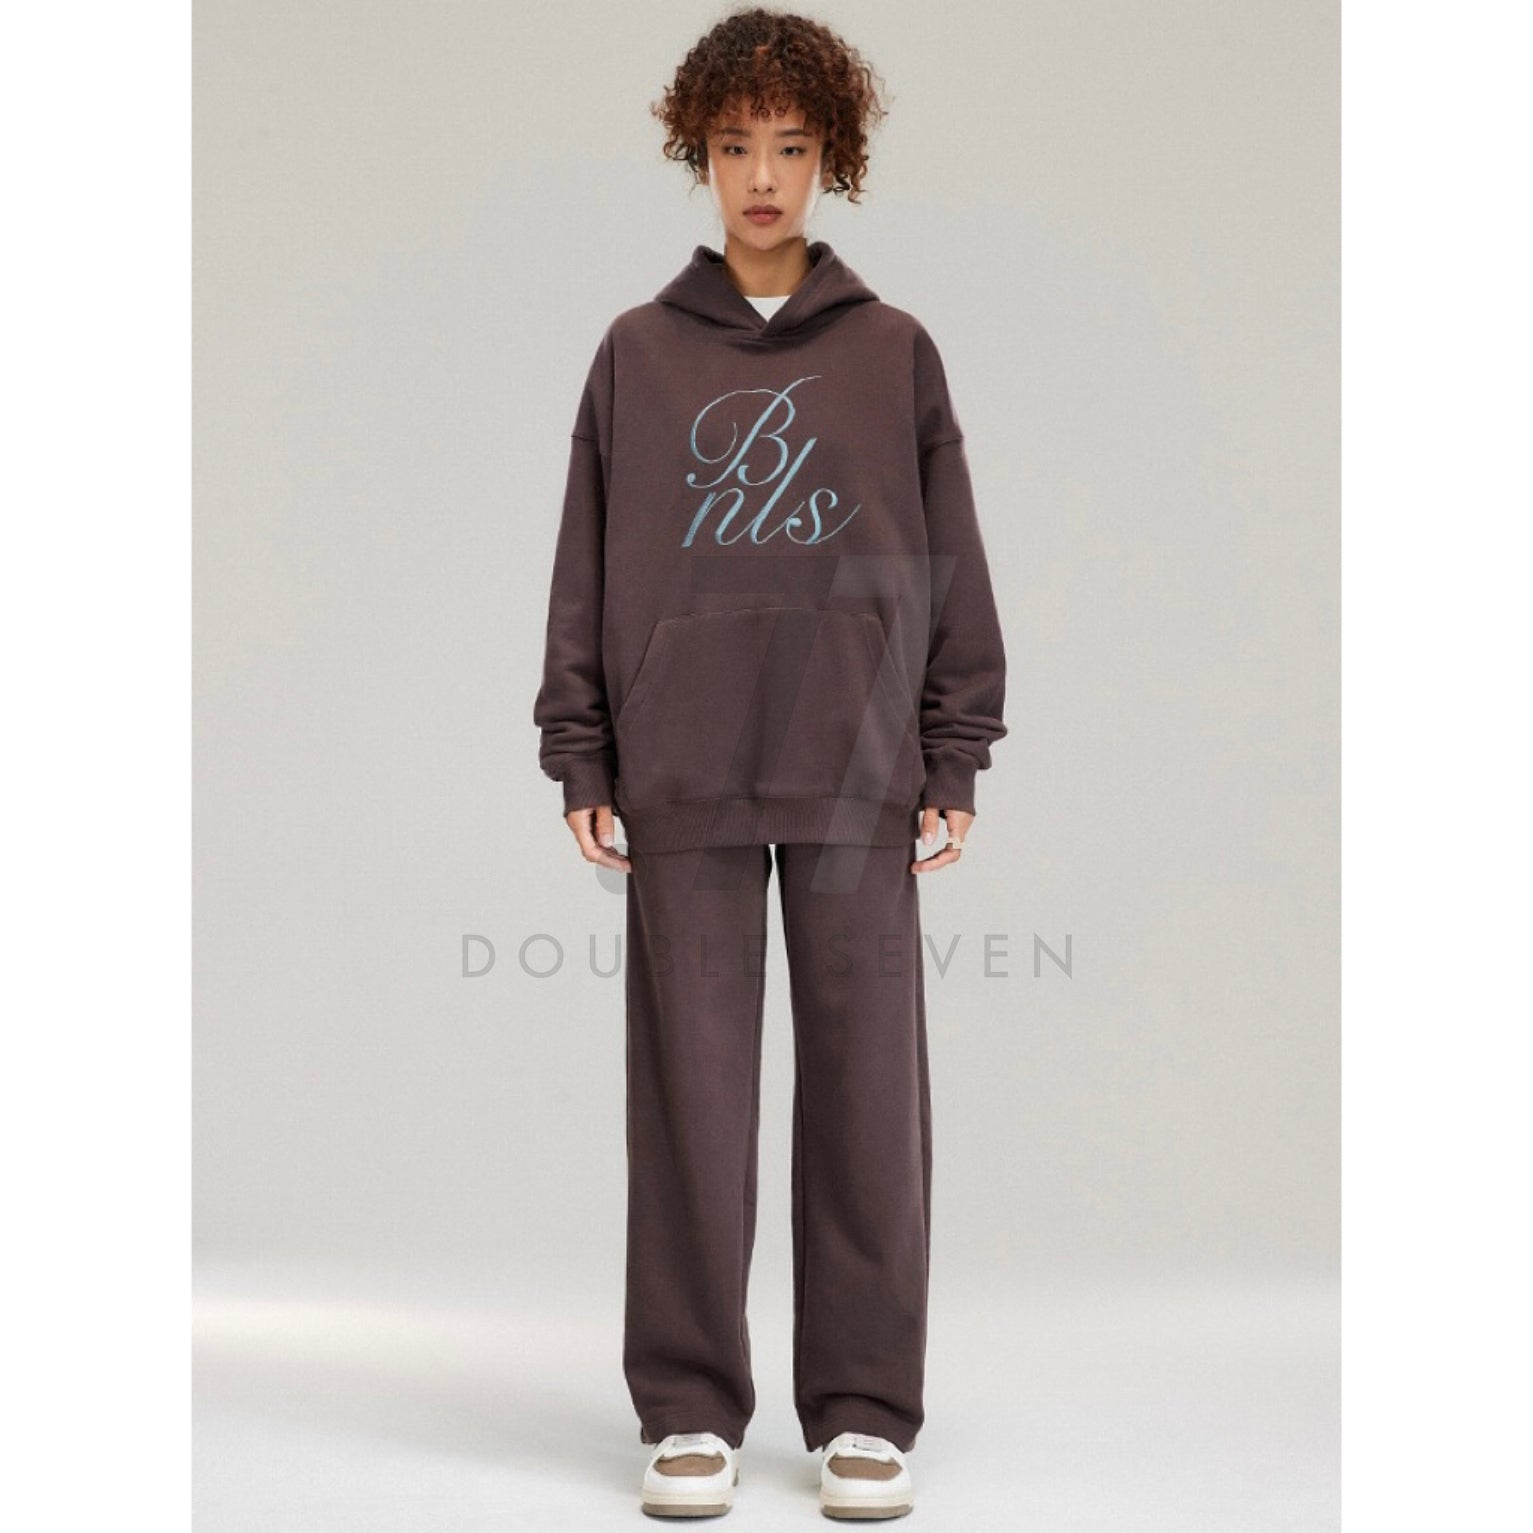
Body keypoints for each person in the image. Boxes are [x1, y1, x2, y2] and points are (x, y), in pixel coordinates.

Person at [532, 8, 1006, 1518]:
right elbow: (585, 559)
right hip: (680, 764)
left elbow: (948, 559)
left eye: (790, 148)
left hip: (858, 765)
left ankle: (862, 1406)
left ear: (830, 159)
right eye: (735, 146)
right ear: (698, 152)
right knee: (689, 1103)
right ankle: (689, 1404)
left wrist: (952, 750)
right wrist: (581, 746)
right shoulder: (636, 353)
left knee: (868, 1099)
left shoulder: (892, 353)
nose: (760, 177)